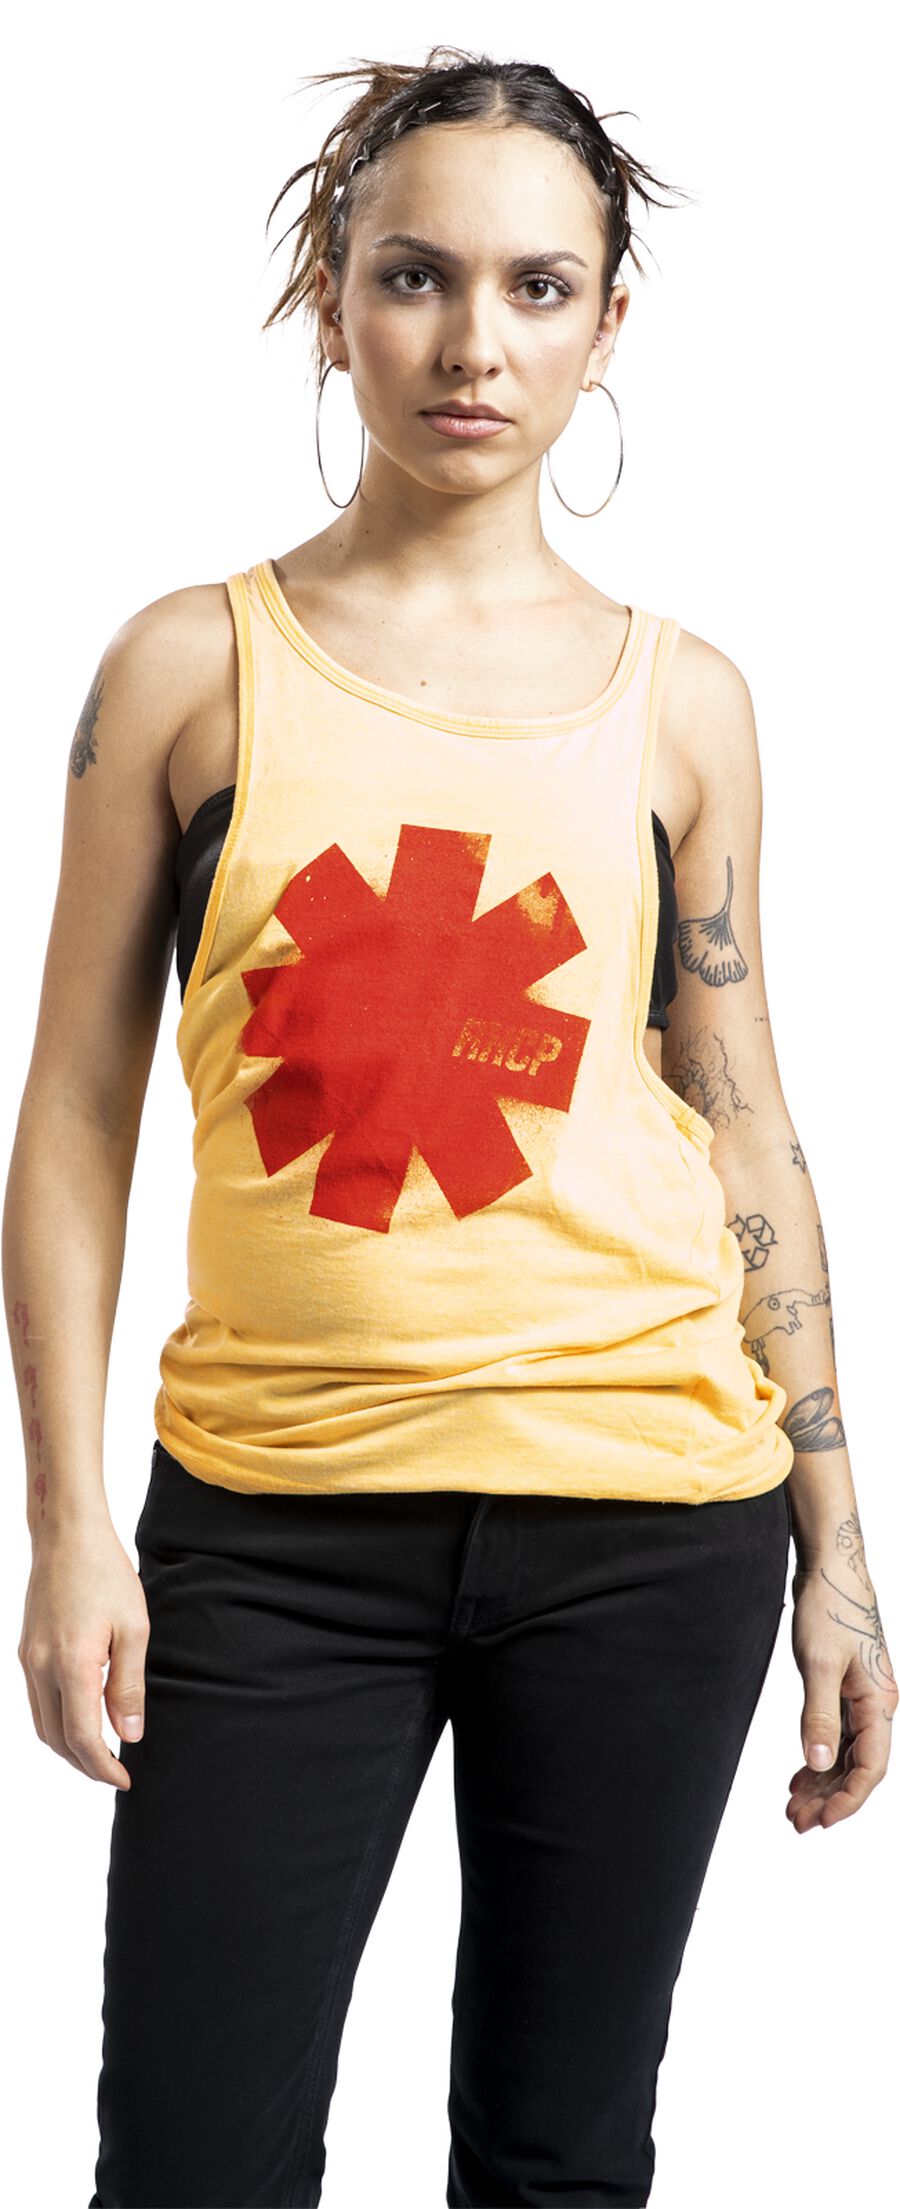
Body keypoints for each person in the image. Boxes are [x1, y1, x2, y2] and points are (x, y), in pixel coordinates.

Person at [5, 42, 896, 2209]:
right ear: (333, 300)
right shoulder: (185, 670)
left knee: (558, 2160)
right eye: (415, 275)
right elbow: (76, 1117)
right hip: (273, 1523)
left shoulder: (688, 704)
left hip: (651, 1519)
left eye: (535, 285)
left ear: (609, 322)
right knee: (192, 2165)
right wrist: (71, 1525)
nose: (473, 341)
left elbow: (745, 1121)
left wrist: (840, 1547)